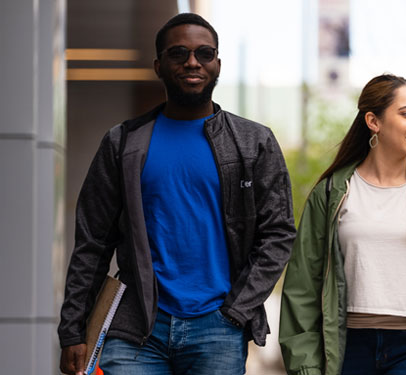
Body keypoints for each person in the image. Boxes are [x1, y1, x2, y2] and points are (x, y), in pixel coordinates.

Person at [57, 13, 295, 375]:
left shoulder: (253, 142)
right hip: (135, 329)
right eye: (178, 53)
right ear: (159, 65)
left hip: (218, 327)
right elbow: (92, 241)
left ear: (217, 64)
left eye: (204, 53)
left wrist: (236, 310)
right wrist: (72, 328)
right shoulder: (123, 142)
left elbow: (278, 234)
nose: (192, 62)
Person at [279, 74, 406, 375]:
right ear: (373, 122)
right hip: (346, 345)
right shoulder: (332, 194)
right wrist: (305, 367)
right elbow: (302, 290)